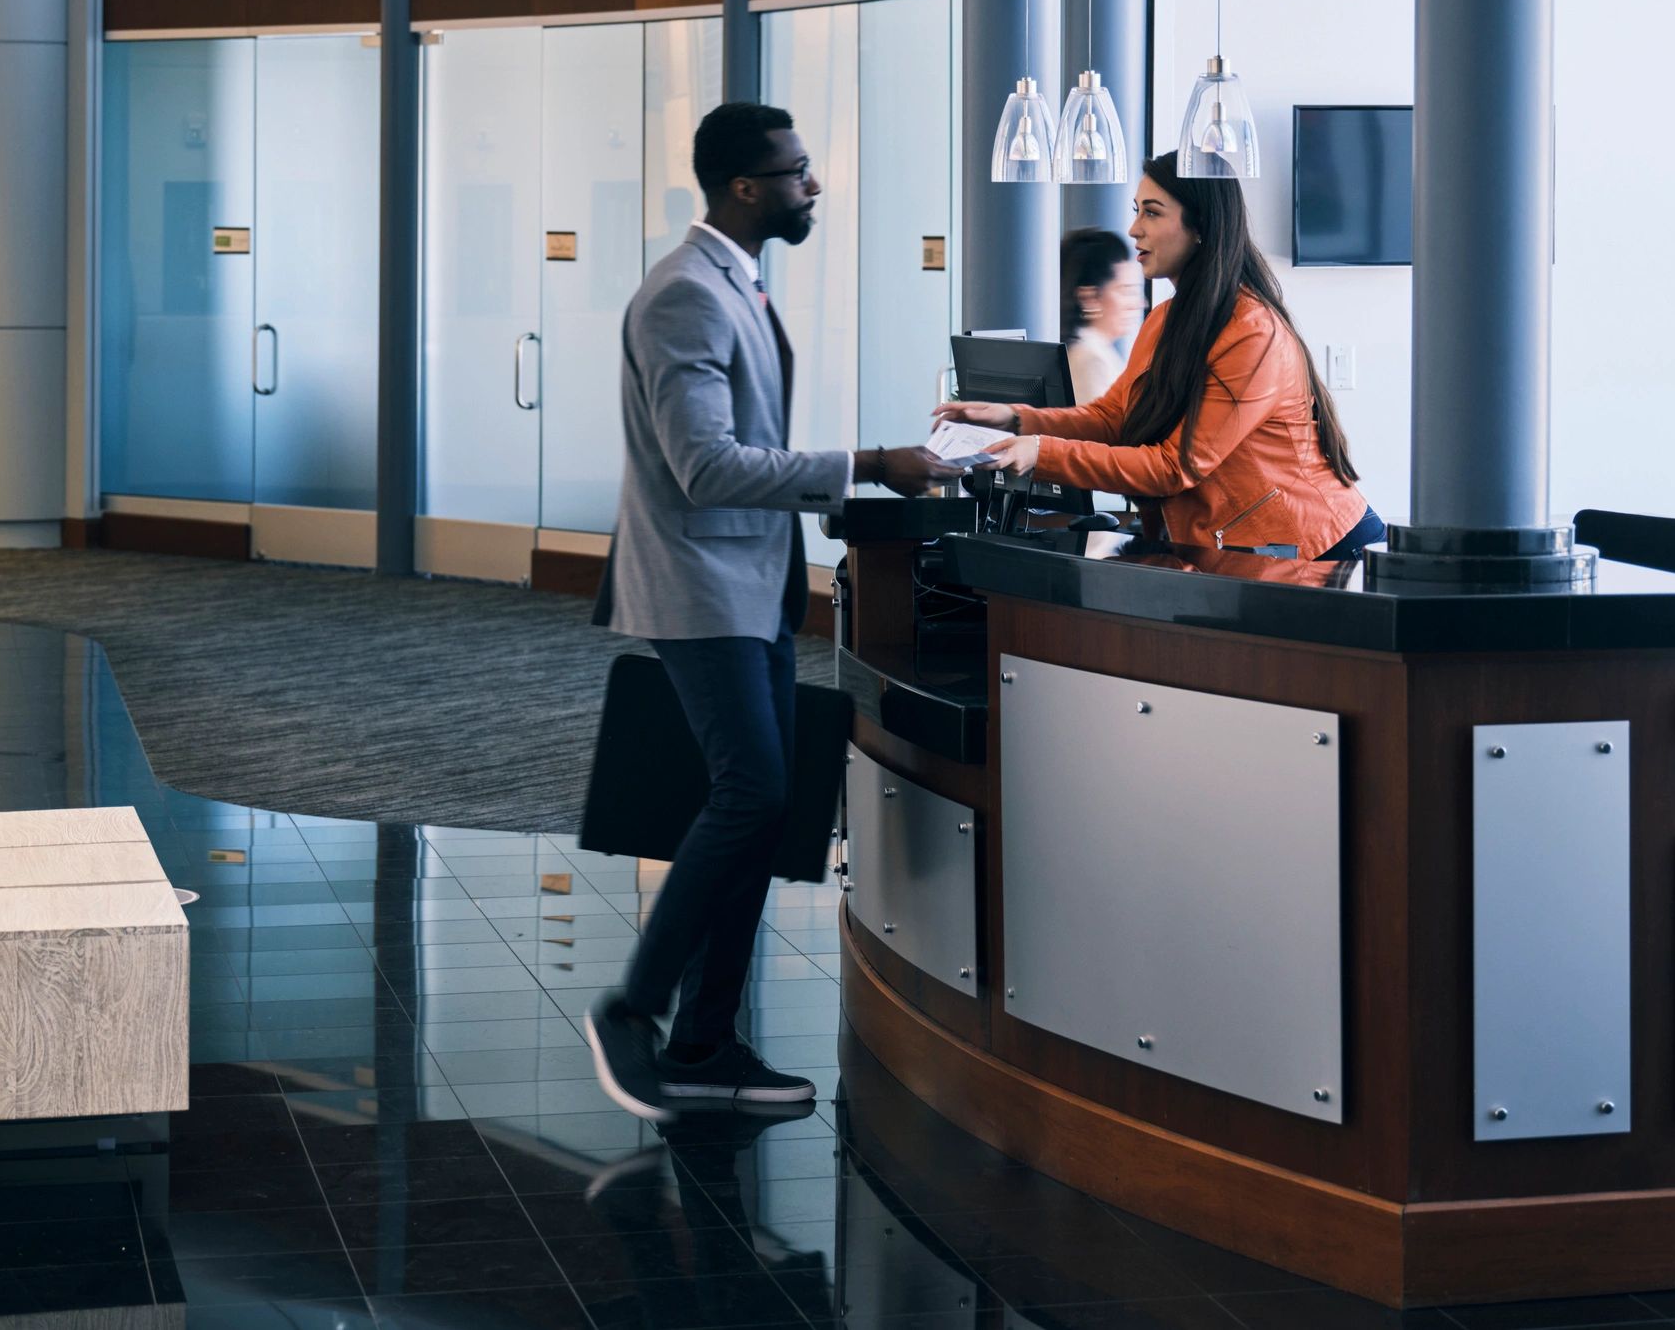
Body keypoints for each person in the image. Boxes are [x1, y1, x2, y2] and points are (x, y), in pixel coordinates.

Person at [586, 102, 959, 1122]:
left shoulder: (730, 282)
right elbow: (703, 466)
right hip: (699, 585)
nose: (813, 186)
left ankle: (705, 1041)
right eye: (797, 173)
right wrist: (866, 463)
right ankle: (635, 1009)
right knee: (751, 795)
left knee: (762, 802)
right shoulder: (685, 298)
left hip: (742, 583)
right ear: (745, 189)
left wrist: (846, 494)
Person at [936, 152, 1385, 561]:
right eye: (1137, 211)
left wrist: (1039, 452)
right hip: (1236, 548)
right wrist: (1015, 419)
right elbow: (1115, 418)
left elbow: (1177, 466)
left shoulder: (1252, 332)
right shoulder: (1168, 318)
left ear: (1201, 227)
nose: (1134, 229)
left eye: (1152, 213)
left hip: (1315, 550)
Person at [1060, 227, 1139, 404]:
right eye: (1126, 291)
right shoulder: (1090, 359)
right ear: (1090, 298)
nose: (1139, 304)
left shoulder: (1093, 350)